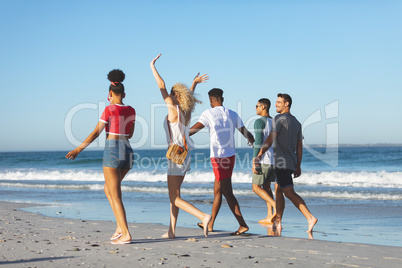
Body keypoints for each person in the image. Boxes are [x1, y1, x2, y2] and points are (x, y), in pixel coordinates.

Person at [66, 69, 135, 245]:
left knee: (115, 194)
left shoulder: (109, 109)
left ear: (110, 94)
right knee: (108, 189)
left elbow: (96, 132)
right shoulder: (131, 110)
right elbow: (130, 135)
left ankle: (126, 233)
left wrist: (78, 150)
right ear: (124, 94)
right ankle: (120, 227)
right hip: (127, 151)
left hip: (113, 149)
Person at [150, 53, 212, 238]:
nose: (167, 96)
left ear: (175, 95)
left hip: (175, 156)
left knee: (174, 197)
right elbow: (189, 98)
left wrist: (152, 65)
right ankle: (171, 231)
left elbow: (160, 85)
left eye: (170, 94)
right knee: (174, 196)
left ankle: (203, 215)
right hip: (185, 156)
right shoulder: (186, 112)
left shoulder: (173, 109)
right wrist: (194, 84)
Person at [190, 88, 255, 235]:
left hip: (218, 157)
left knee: (227, 191)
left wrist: (179, 133)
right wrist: (251, 139)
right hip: (230, 156)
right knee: (218, 190)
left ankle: (242, 225)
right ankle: (211, 224)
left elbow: (193, 130)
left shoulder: (208, 113)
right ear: (222, 99)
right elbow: (246, 133)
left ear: (211, 100)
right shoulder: (232, 113)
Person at [255, 93, 318, 233]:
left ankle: (310, 217)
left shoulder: (278, 119)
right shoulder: (296, 122)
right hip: (290, 162)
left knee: (288, 192)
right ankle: (278, 222)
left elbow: (270, 139)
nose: (276, 104)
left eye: (278, 102)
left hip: (281, 162)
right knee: (278, 191)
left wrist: (260, 154)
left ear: (286, 104)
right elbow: (300, 146)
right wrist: (298, 164)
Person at [252, 98, 276, 224]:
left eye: (256, 106)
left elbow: (258, 142)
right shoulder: (274, 121)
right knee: (267, 187)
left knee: (255, 187)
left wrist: (255, 160)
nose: (255, 108)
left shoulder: (259, 122)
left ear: (263, 107)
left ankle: (275, 206)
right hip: (274, 160)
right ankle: (270, 215)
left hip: (263, 159)